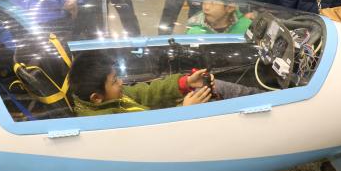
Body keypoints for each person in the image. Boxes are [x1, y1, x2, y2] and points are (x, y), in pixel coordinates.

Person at [70, 50, 262, 116]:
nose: (121, 82)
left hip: (172, 118)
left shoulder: (112, 98)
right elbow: (153, 142)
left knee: (212, 87)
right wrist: (183, 113)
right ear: (96, 98)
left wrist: (185, 82)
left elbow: (147, 92)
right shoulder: (106, 125)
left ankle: (265, 98)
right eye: (114, 81)